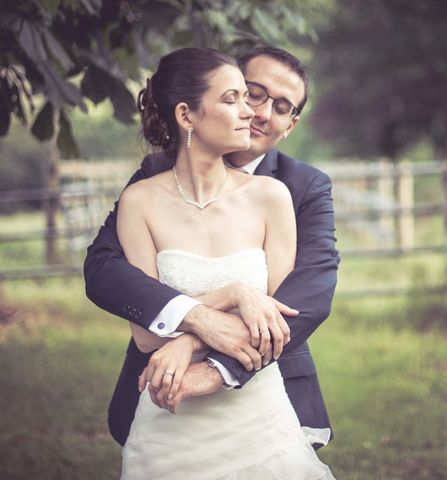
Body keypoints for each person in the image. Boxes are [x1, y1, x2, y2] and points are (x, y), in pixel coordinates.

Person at [83, 45, 339, 449]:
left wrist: (198, 346)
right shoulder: (151, 181)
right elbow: (104, 270)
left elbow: (304, 298)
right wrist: (226, 300)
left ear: (291, 124)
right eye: (250, 93)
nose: (257, 112)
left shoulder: (296, 189)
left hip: (258, 389)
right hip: (165, 397)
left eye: (282, 106)